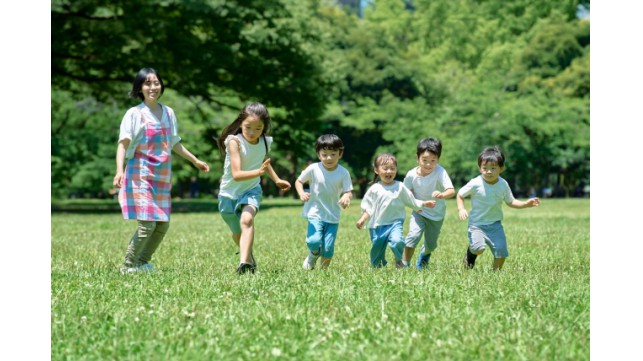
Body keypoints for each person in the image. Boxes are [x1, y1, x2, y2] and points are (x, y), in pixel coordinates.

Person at [113, 67, 210, 274]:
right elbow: (123, 144)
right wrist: (119, 170)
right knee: (146, 225)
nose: (153, 87)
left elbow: (174, 143)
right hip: (140, 174)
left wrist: (195, 160)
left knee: (162, 225)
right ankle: (129, 265)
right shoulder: (134, 114)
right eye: (147, 83)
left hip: (162, 176)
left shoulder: (168, 112)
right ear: (140, 88)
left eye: (156, 82)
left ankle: (142, 263)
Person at [216, 102, 291, 274]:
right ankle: (249, 258)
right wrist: (259, 172)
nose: (252, 132)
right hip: (228, 194)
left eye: (258, 128)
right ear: (241, 123)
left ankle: (244, 263)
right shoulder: (234, 142)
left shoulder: (265, 141)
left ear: (264, 127)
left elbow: (264, 162)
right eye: (248, 127)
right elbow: (236, 174)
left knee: (247, 220)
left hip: (251, 190)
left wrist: (277, 179)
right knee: (237, 233)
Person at [457, 146, 540, 271]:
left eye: (493, 168)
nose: (489, 171)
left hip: (495, 225)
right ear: (480, 168)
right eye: (485, 168)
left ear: (501, 168)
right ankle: (470, 255)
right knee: (478, 249)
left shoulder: (503, 184)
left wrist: (525, 204)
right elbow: (460, 194)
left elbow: (511, 201)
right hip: (477, 225)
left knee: (501, 253)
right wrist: (461, 208)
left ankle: (494, 275)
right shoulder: (475, 183)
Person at [356, 153, 436, 268]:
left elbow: (410, 200)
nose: (389, 171)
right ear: (376, 170)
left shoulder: (400, 186)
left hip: (395, 223)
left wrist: (422, 204)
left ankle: (400, 260)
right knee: (377, 249)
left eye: (392, 168)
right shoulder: (374, 189)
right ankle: (377, 267)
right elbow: (368, 208)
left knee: (397, 241)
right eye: (385, 168)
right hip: (377, 225)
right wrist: (362, 220)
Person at [295, 134, 353, 270]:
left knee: (328, 248)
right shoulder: (313, 168)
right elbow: (299, 181)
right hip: (315, 211)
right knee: (313, 240)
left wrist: (346, 197)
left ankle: (324, 273)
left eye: (333, 154)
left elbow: (348, 190)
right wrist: (301, 193)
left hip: (333, 214)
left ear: (340, 154)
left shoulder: (343, 173)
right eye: (325, 154)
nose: (329, 158)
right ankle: (313, 254)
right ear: (318, 154)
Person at [401, 138, 455, 270]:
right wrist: (416, 205)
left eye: (433, 161)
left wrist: (442, 195)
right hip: (419, 211)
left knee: (431, 245)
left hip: (436, 214)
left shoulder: (440, 172)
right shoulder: (411, 175)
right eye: (424, 160)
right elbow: (405, 193)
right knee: (412, 237)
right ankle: (404, 265)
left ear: (438, 159)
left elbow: (451, 191)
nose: (428, 164)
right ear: (417, 158)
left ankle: (424, 255)